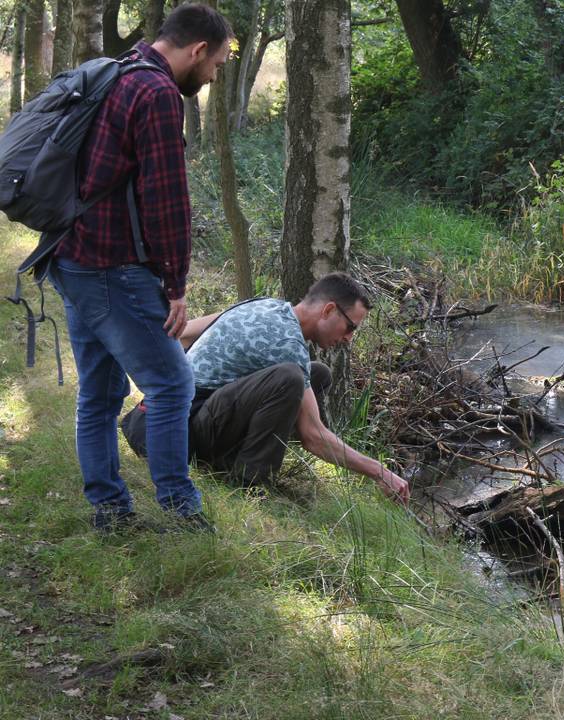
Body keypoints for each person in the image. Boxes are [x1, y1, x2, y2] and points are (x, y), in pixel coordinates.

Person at [50, 4, 232, 533]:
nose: (215, 74)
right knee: (174, 383)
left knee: (101, 393)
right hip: (111, 265)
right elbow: (165, 197)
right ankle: (181, 509)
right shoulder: (155, 93)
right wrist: (175, 284)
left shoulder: (117, 69)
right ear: (197, 51)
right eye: (217, 64)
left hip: (72, 255)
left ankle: (110, 511)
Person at [177, 273, 411, 505]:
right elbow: (313, 437)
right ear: (328, 310)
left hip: (188, 415)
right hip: (186, 429)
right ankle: (249, 485)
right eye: (350, 327)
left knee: (317, 373)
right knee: (290, 378)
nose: (349, 338)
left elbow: (184, 334)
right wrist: (379, 471)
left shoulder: (266, 305)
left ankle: (232, 461)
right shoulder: (287, 342)